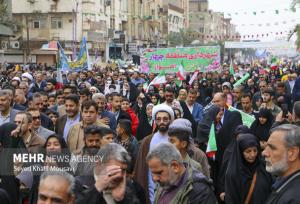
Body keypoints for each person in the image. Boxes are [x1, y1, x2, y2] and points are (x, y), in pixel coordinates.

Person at [146, 143, 216, 204]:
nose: (154, 178)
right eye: (153, 173)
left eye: (159, 173)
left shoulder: (199, 191)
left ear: (175, 166)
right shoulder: (164, 182)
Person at [75, 143, 145, 204]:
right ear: (99, 164)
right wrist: (97, 188)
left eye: (123, 170)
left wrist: (122, 200)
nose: (120, 175)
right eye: (115, 169)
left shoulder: (129, 185)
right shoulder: (80, 184)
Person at [134, 103, 174, 204]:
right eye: (158, 119)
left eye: (165, 119)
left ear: (170, 120)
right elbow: (141, 167)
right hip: (151, 187)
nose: (162, 122)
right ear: (155, 120)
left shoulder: (175, 140)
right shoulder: (147, 141)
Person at [223, 133, 273, 204]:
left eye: (255, 150)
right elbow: (231, 199)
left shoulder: (264, 167)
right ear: (240, 152)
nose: (252, 155)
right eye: (248, 151)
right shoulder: (233, 173)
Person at [263, 124, 300, 204]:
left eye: (272, 148)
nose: (264, 153)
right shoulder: (285, 180)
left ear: (292, 154)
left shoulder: (294, 198)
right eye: (266, 147)